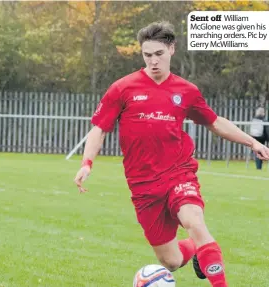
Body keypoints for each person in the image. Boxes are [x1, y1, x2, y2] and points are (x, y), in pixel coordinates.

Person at [73, 21, 269, 287]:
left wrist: (252, 142)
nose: (153, 61)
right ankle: (200, 248)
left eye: (159, 54)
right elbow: (99, 128)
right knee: (172, 261)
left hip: (178, 173)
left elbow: (214, 121)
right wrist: (87, 163)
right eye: (147, 55)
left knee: (194, 221)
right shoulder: (122, 88)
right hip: (143, 185)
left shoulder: (186, 91)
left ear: (172, 50)